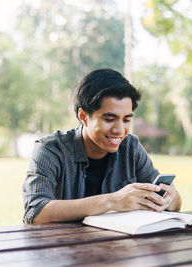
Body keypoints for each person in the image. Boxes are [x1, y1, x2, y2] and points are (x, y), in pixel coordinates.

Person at [22, 68, 182, 224]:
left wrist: (170, 198)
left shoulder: (131, 147)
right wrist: (112, 201)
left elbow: (174, 203)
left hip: (117, 246)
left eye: (126, 120)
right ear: (83, 117)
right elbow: (35, 211)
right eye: (109, 119)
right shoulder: (50, 149)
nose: (119, 130)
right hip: (63, 247)